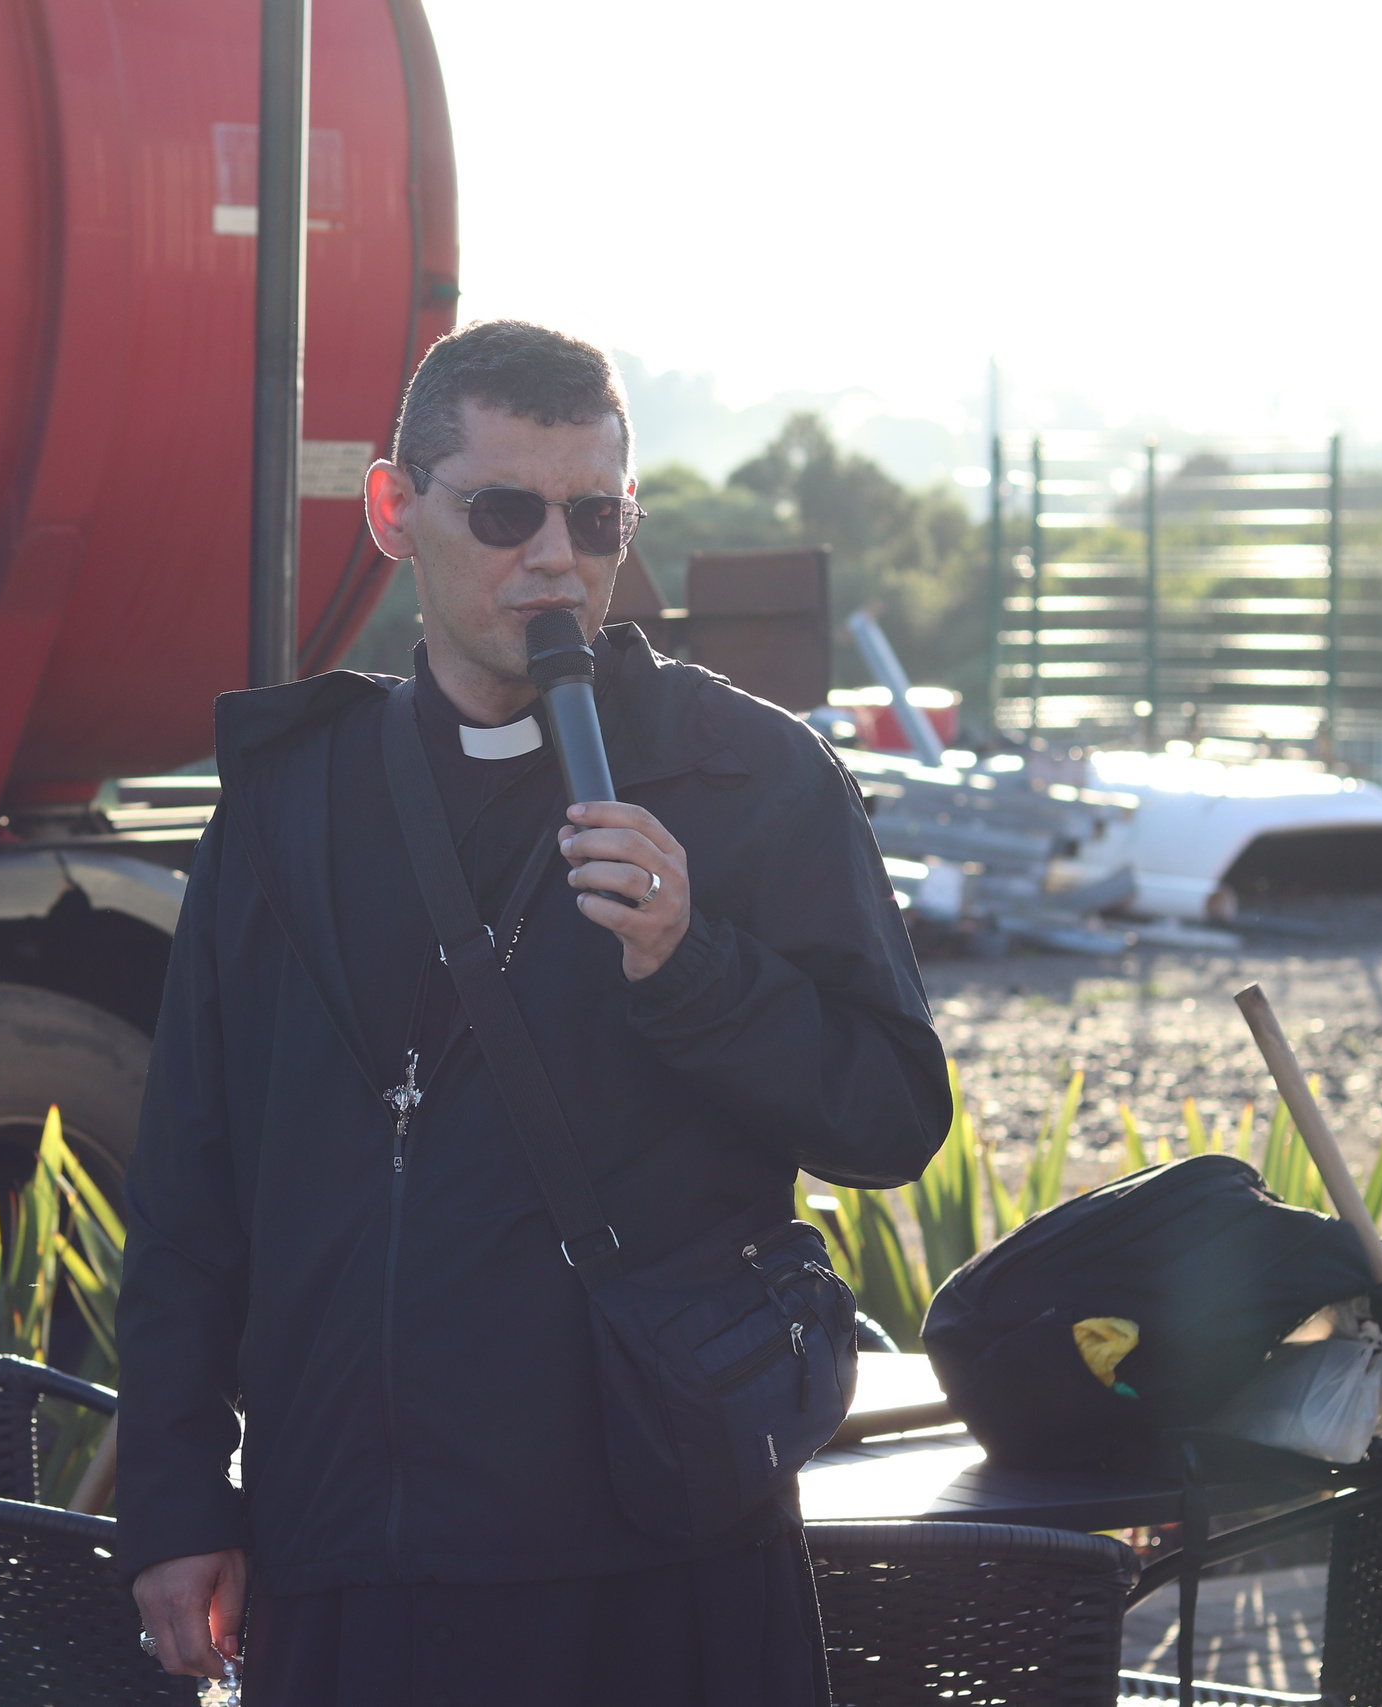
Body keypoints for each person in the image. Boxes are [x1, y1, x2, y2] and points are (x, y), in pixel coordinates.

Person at [115, 320, 951, 1706]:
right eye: (504, 512)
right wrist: (175, 1498)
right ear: (396, 511)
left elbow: (890, 1113)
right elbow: (192, 1179)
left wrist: (699, 966)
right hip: (352, 1553)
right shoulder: (290, 798)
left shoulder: (748, 776)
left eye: (594, 516)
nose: (554, 557)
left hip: (651, 1550)